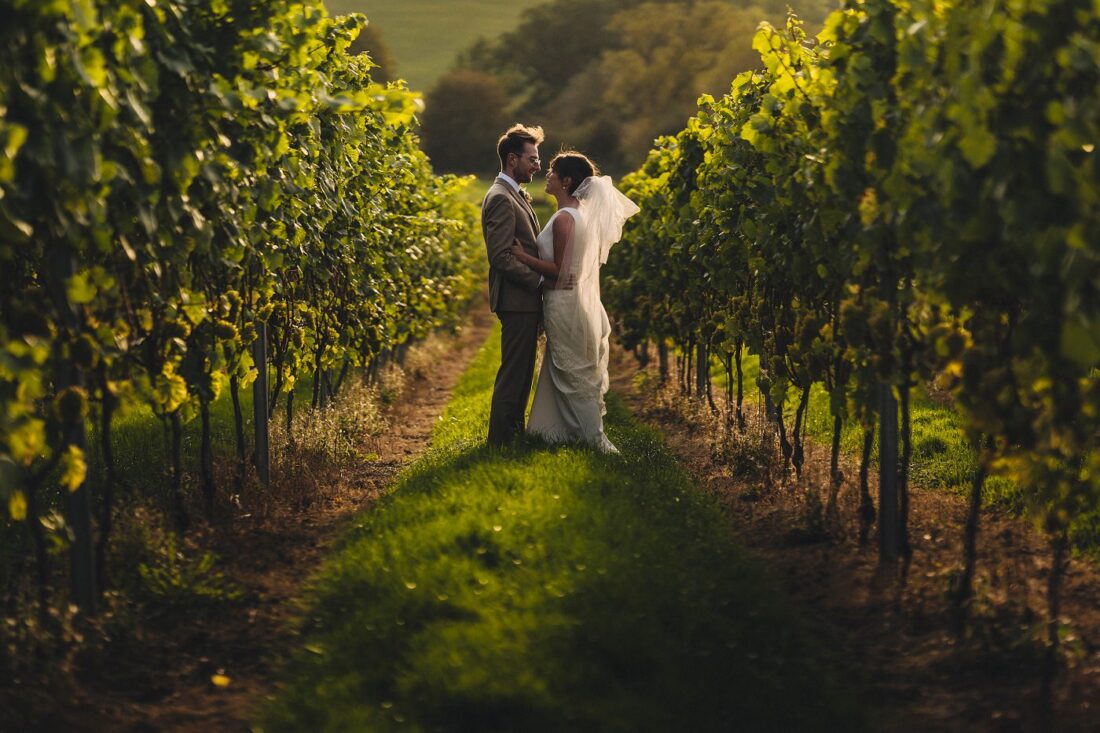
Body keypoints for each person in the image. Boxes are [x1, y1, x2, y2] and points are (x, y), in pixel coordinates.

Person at [510, 151, 639, 453]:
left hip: (565, 303)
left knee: (573, 370)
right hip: (567, 299)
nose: (548, 174)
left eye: (553, 170)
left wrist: (522, 257)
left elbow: (560, 271)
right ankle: (554, 433)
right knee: (562, 367)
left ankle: (594, 439)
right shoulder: (575, 215)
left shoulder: (565, 220)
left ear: (566, 181)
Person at [481, 124, 545, 446]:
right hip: (517, 299)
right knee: (514, 374)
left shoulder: (511, 194)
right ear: (511, 158)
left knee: (522, 375)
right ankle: (501, 442)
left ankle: (512, 438)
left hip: (523, 300)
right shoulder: (500, 198)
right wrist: (540, 282)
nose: (537, 165)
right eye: (532, 159)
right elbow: (501, 256)